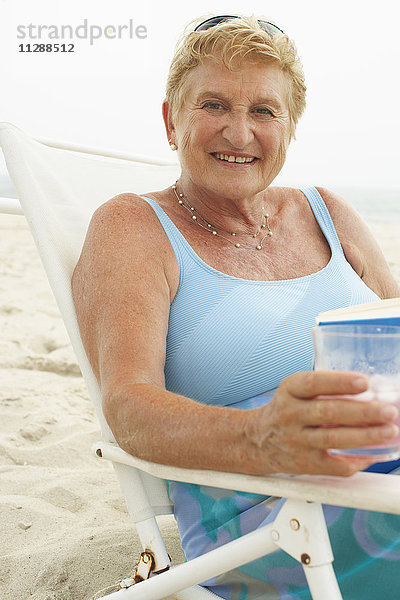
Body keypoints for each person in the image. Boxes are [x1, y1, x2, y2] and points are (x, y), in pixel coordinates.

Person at [72, 15, 400, 599]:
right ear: (172, 120)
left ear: (290, 127)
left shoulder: (327, 211)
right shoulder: (133, 227)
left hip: (380, 471)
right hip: (266, 517)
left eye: (264, 111)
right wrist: (261, 437)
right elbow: (126, 404)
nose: (239, 133)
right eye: (214, 104)